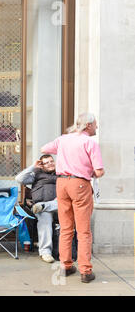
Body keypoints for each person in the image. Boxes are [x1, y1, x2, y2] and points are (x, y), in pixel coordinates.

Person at [41, 113, 104, 283]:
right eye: (96, 124)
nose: (97, 127)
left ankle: (65, 266)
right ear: (88, 125)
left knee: (66, 227)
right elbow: (99, 171)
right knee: (83, 230)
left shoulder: (63, 139)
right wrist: (89, 169)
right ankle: (85, 271)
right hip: (80, 185)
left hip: (61, 184)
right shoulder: (90, 143)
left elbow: (44, 149)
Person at [16, 155, 58, 263]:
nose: (50, 164)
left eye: (51, 161)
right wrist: (33, 167)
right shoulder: (36, 174)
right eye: (46, 162)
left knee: (62, 202)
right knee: (45, 219)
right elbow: (19, 179)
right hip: (42, 209)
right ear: (42, 165)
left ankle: (45, 205)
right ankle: (45, 253)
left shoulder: (61, 174)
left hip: (59, 206)